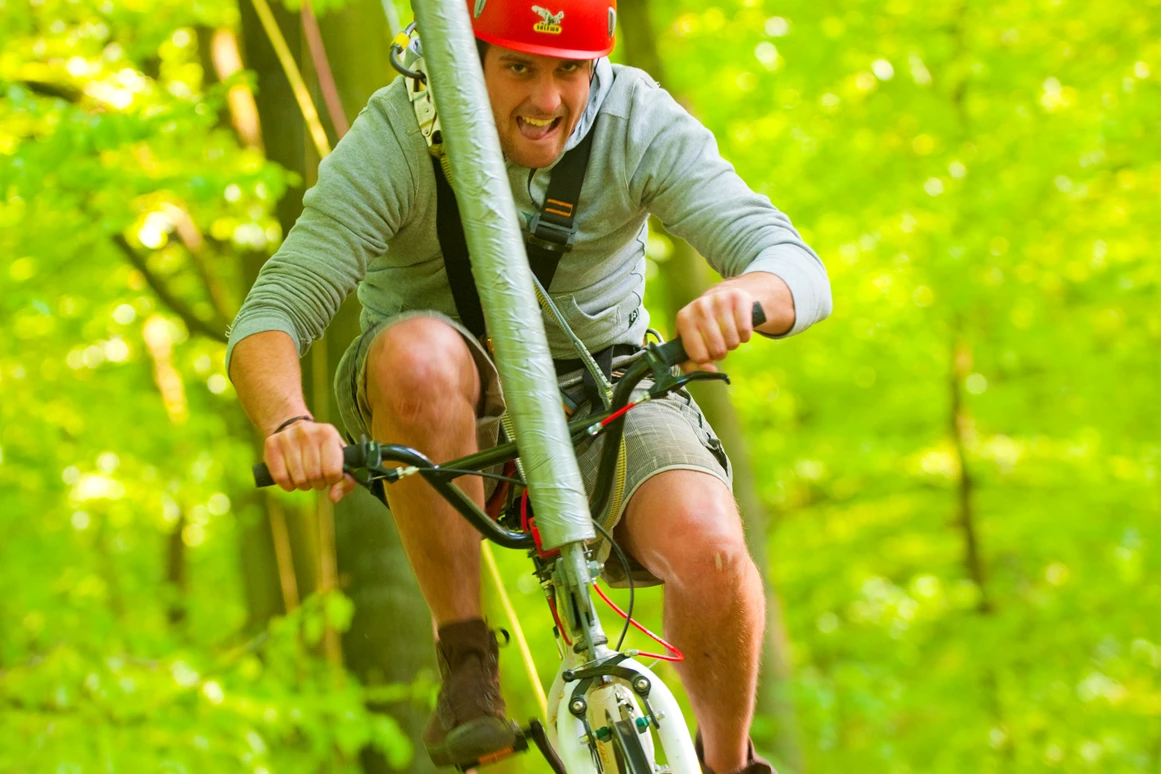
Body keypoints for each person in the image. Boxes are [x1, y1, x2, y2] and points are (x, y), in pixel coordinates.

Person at [226, 0, 831, 770]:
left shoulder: (635, 119)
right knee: (417, 352)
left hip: (605, 385)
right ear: (467, 57)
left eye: (568, 71)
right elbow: (271, 315)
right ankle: (467, 663)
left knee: (712, 550)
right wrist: (287, 423)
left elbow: (793, 265)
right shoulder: (395, 138)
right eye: (519, 67)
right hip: (444, 405)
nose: (547, 99)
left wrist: (749, 295)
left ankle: (728, 763)